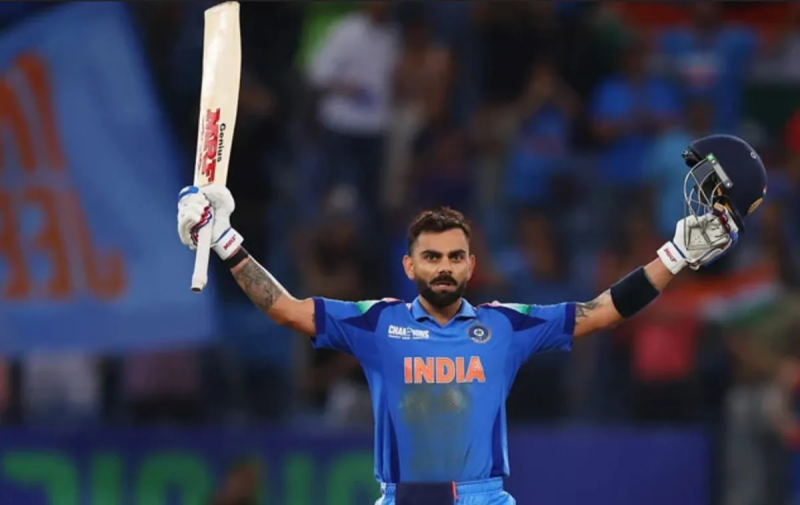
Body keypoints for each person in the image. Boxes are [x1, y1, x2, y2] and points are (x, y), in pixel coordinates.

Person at [176, 134, 765, 505]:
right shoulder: (377, 323)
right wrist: (225, 240)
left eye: (455, 257)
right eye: (432, 257)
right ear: (409, 265)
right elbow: (285, 308)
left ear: (471, 265)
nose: (444, 267)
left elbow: (603, 311)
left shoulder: (505, 325)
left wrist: (676, 255)